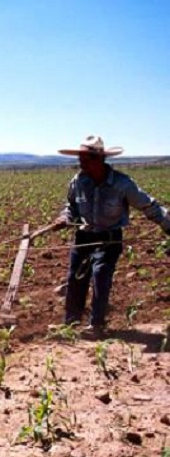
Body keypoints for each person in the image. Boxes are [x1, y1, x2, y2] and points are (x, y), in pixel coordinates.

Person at [53, 135, 170, 333]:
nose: (80, 163)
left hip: (109, 238)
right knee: (75, 278)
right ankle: (70, 324)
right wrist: (64, 217)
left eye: (85, 159)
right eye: (80, 158)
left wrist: (168, 225)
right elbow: (71, 206)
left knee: (100, 275)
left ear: (99, 160)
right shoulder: (78, 181)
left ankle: (96, 324)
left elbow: (148, 205)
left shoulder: (122, 184)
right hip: (84, 237)